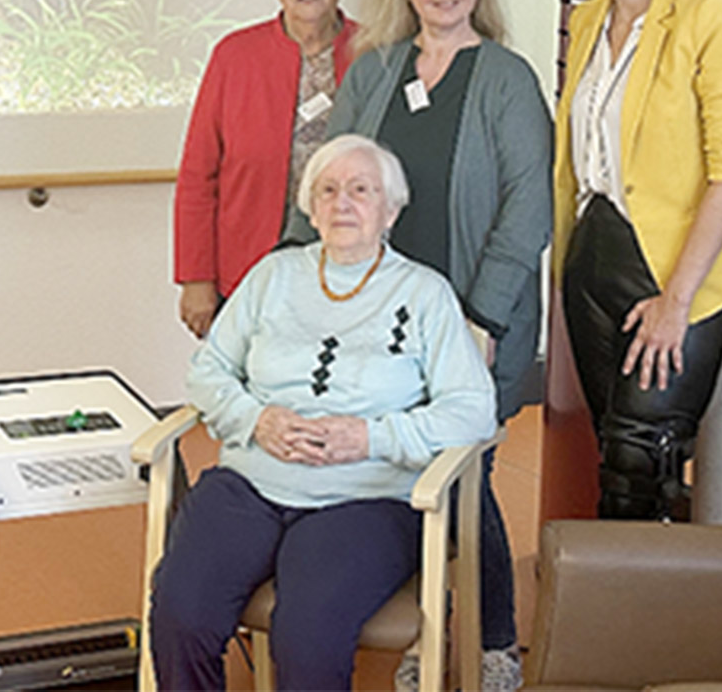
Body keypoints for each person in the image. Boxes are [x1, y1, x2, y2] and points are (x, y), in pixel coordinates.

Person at [150, 134, 496, 692]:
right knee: (180, 612)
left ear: (391, 210)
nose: (343, 203)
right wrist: (255, 420)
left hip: (366, 499)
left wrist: (371, 437)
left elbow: (473, 411)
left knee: (307, 632)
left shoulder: (424, 293)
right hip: (251, 484)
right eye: (328, 190)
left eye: (361, 190)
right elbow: (208, 371)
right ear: (310, 208)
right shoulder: (273, 276)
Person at [314, 0, 551, 692]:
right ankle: (424, 627)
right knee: (393, 472)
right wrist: (298, 275)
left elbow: (530, 207)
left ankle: (492, 644)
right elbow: (329, 175)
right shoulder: (376, 70)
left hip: (475, 320)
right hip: (377, 319)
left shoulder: (507, 78)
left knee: (462, 473)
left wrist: (482, 315)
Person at [555, 0, 722, 521]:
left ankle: (647, 618)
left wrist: (677, 301)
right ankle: (611, 609)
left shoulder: (708, 15)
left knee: (645, 454)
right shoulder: (587, 21)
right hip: (594, 257)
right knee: (613, 451)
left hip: (677, 267)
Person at [174, 0, 360, 338]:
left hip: (350, 271)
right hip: (247, 268)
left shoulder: (376, 53)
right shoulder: (234, 56)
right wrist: (196, 277)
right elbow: (198, 176)